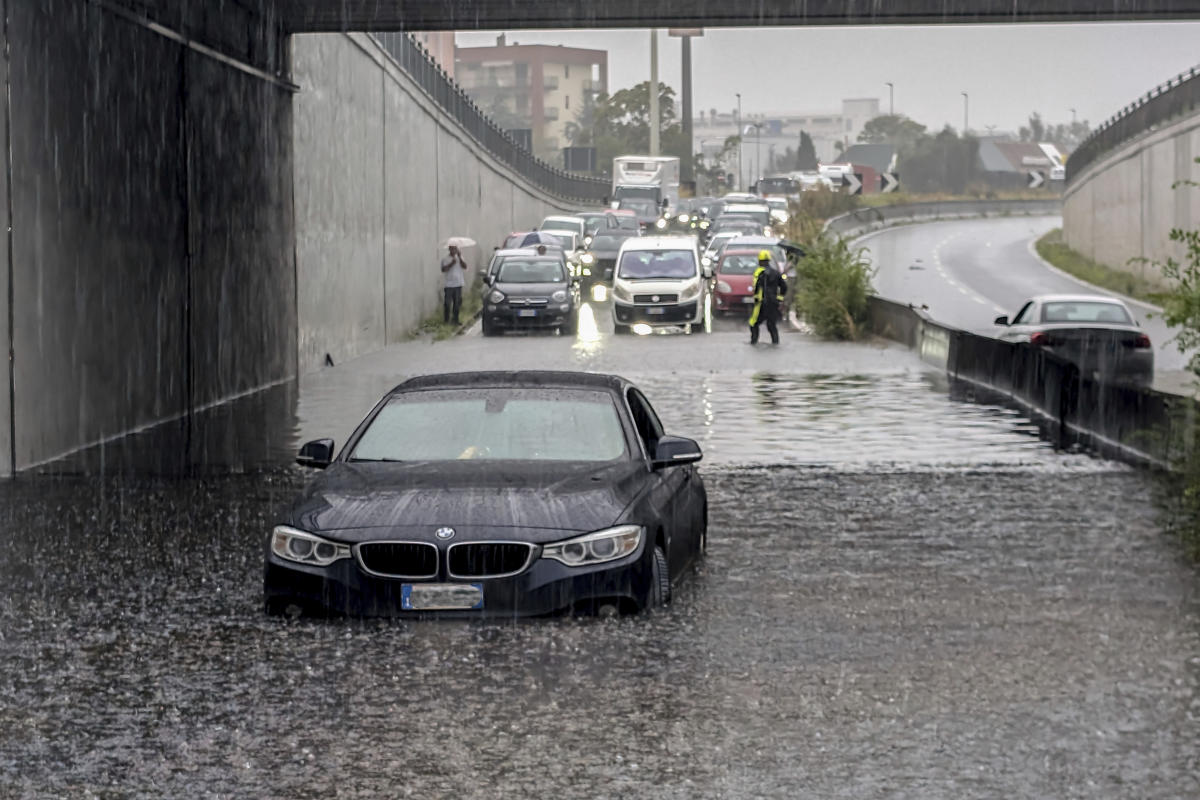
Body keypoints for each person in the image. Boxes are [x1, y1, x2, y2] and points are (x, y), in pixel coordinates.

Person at [748, 250, 787, 345]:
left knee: (753, 323)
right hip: (773, 302)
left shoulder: (758, 272)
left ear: (760, 261)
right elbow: (784, 286)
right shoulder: (776, 273)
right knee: (771, 325)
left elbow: (756, 287)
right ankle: (775, 342)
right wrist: (780, 298)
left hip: (761, 303)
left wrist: (756, 299)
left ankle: (754, 341)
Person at [441, 244, 468, 325]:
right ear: (449, 249)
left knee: (457, 304)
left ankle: (455, 320)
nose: (454, 250)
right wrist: (452, 263)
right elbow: (443, 269)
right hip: (449, 285)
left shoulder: (460, 258)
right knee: (447, 304)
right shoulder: (445, 259)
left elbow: (465, 266)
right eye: (452, 249)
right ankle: (446, 320)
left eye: (455, 249)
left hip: (458, 284)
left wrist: (459, 257)